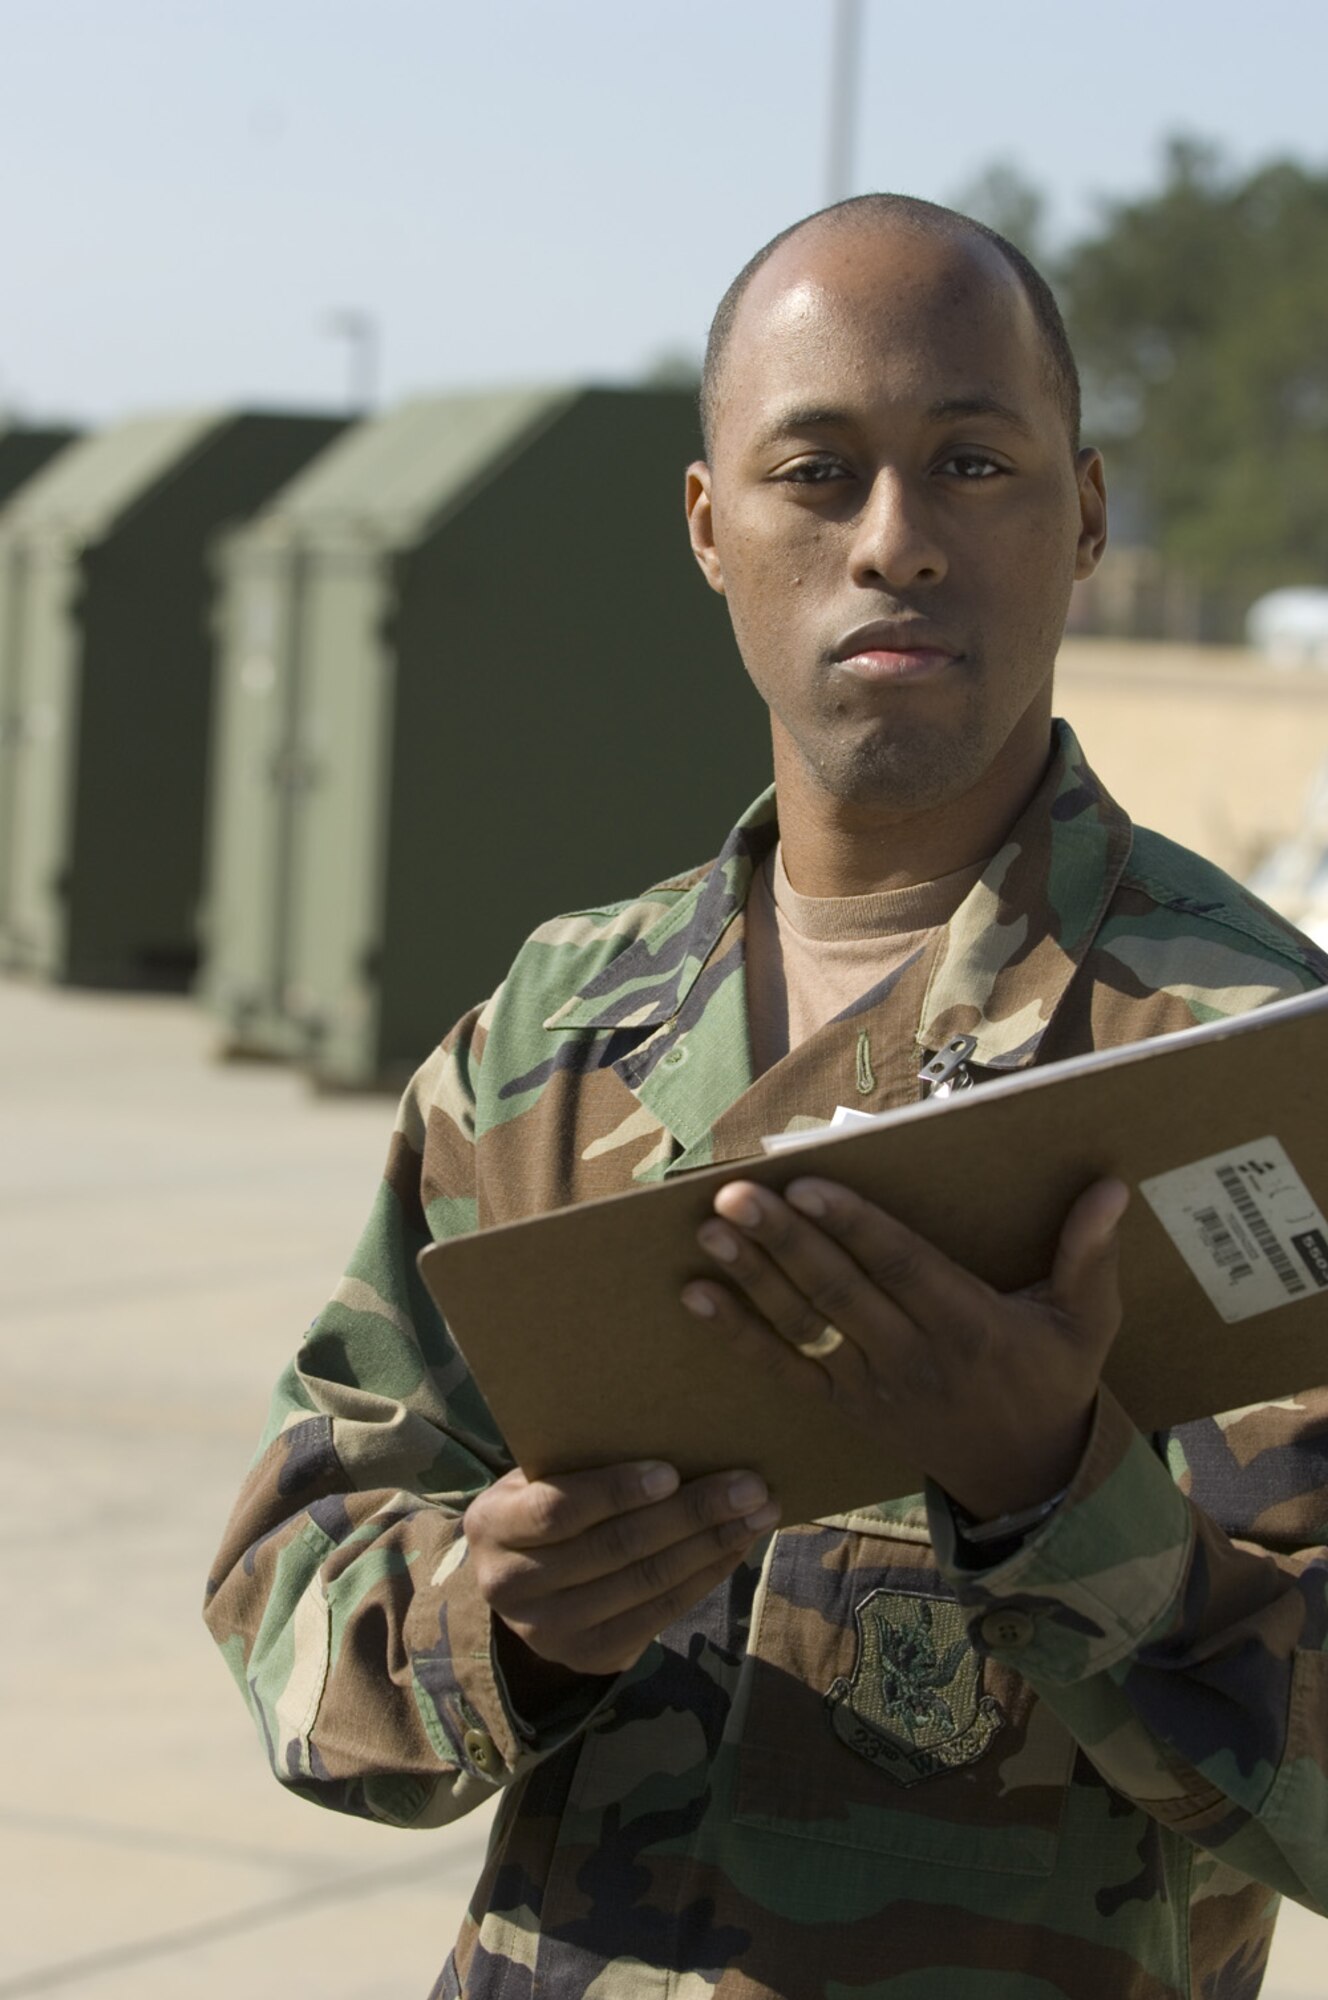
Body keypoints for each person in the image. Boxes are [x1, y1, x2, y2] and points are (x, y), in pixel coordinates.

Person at [205, 195, 1328, 1999]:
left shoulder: (1250, 1064)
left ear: (1089, 515)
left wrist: (1058, 1496)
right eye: (818, 472)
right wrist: (498, 1618)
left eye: (975, 462)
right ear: (712, 529)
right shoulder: (553, 1039)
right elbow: (299, 1589)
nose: (899, 542)